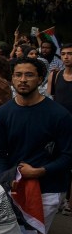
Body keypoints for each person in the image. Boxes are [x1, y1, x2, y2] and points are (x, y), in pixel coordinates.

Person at [0, 57, 72, 234]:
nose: (22, 80)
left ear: (40, 79)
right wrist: (4, 182)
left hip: (47, 191)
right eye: (18, 75)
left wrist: (41, 171)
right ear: (12, 78)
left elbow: (68, 155)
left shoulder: (59, 115)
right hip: (14, 191)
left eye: (29, 75)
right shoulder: (3, 114)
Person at [49, 43, 72, 216]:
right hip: (59, 127)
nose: (66, 57)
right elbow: (52, 99)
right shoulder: (56, 76)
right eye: (63, 54)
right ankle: (58, 199)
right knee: (57, 162)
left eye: (70, 54)